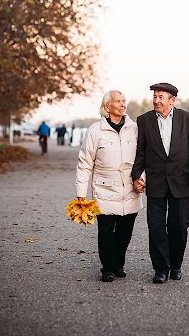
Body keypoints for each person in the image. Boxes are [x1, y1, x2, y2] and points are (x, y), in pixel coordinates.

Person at [132, 82, 189, 284]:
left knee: (179, 225)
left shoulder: (187, 119)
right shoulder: (144, 120)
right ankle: (160, 269)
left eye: (160, 97)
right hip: (155, 182)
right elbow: (141, 152)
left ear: (172, 100)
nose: (156, 100)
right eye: (154, 97)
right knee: (155, 227)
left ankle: (176, 265)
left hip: (181, 181)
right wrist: (137, 175)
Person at [75, 90, 143, 282]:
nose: (123, 104)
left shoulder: (134, 128)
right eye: (118, 101)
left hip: (130, 190)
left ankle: (118, 263)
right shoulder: (95, 130)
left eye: (124, 100)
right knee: (106, 232)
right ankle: (108, 268)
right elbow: (85, 163)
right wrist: (81, 193)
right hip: (104, 189)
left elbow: (142, 158)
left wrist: (142, 178)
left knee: (125, 232)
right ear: (107, 107)